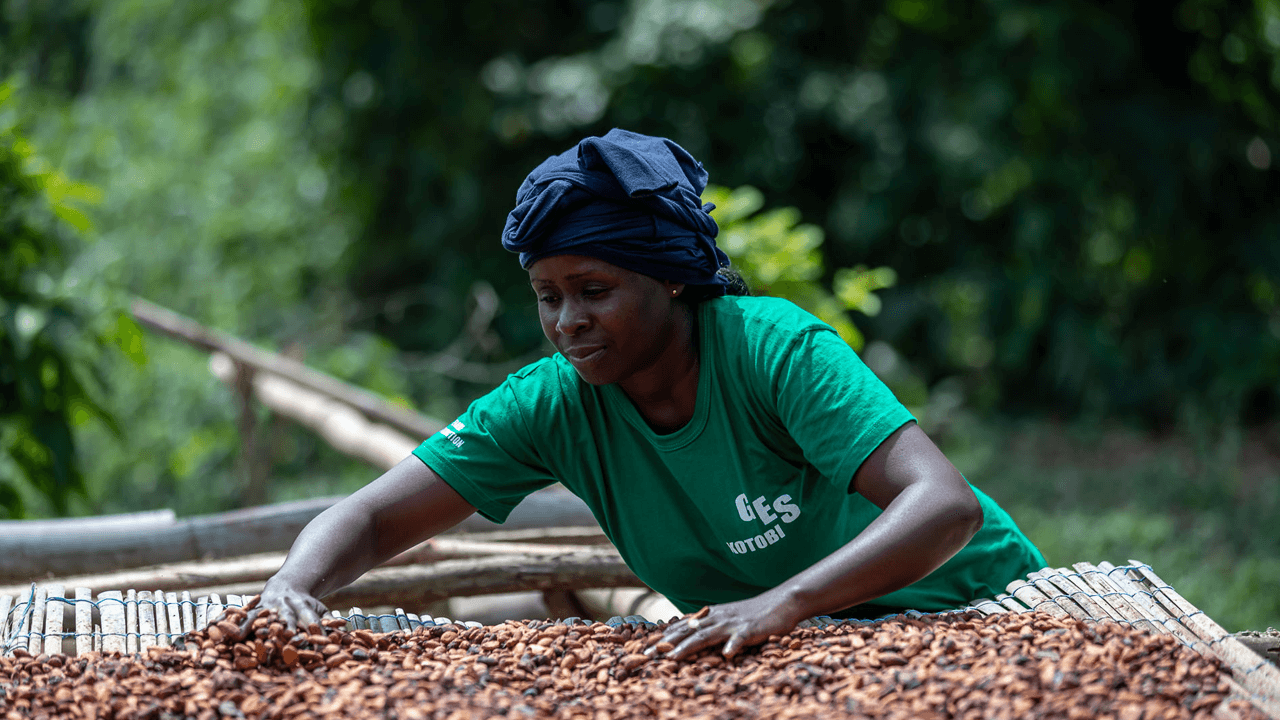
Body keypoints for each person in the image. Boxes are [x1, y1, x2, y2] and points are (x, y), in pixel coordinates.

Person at [253, 129, 1046, 660]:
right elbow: (369, 516)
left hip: (975, 611)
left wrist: (783, 603)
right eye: (547, 295)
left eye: (593, 289)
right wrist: (294, 584)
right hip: (801, 650)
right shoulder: (553, 403)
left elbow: (944, 507)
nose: (568, 322)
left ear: (670, 276)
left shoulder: (773, 349)